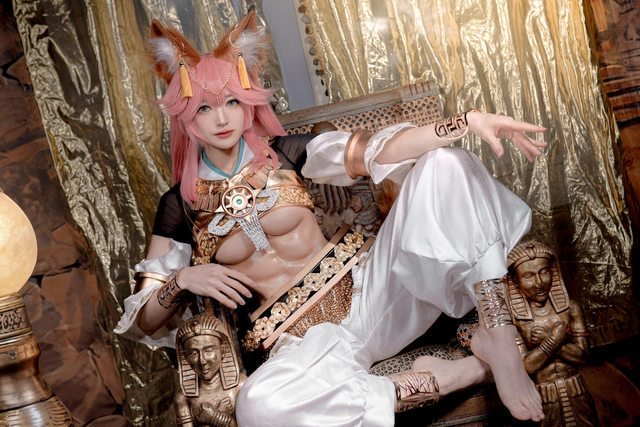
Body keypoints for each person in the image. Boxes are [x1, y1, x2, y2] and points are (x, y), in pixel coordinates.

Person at [115, 11, 549, 426]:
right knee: (258, 408)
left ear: (248, 102)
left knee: (445, 163)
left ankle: (497, 336)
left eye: (231, 101)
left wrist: (465, 122)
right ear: (185, 115)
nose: (222, 118)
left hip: (371, 292)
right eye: (204, 108)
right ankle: (461, 374)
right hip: (302, 344)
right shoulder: (179, 205)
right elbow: (144, 320)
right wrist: (183, 279)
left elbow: (379, 150)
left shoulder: (287, 154)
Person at [506, 241, 599, 426]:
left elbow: (583, 356)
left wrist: (545, 342)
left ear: (553, 272)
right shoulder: (514, 320)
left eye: (544, 272)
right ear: (515, 281)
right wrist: (555, 339)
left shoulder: (571, 308)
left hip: (577, 390)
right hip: (541, 396)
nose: (539, 283)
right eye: (528, 276)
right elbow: (526, 366)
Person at [174, 312, 246, 426]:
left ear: (222, 351)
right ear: (185, 357)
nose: (202, 361)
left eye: (208, 350)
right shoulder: (183, 397)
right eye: (193, 353)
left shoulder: (241, 385)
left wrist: (215, 417)